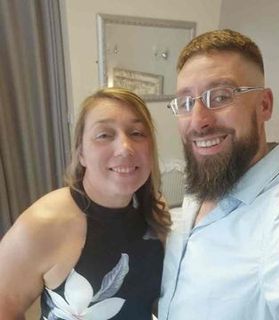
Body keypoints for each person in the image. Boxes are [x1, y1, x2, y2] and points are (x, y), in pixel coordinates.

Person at [159, 29, 279, 320]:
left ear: (265, 105)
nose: (198, 121)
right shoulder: (206, 184)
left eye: (220, 96)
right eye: (185, 102)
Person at [0, 87, 171, 319]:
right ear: (81, 153)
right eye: (104, 135)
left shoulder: (154, 209)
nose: (125, 147)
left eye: (137, 133)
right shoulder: (44, 222)